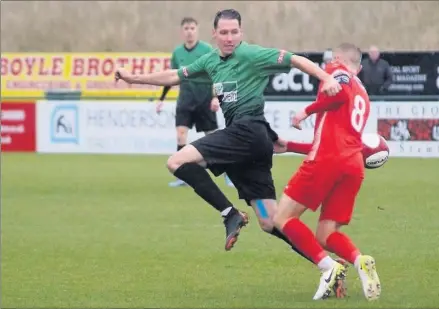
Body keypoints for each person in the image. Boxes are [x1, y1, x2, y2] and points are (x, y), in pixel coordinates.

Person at [115, 9, 342, 258]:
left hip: (247, 132)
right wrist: (133, 77)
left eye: (234, 32)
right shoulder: (210, 61)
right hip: (252, 144)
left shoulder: (251, 54)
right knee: (270, 221)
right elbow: (174, 76)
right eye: (224, 32)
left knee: (177, 161)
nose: (229, 37)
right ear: (214, 34)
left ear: (241, 32)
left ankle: (230, 213)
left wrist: (325, 78)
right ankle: (328, 265)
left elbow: (295, 59)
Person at [273, 43, 381, 301]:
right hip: (353, 165)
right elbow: (337, 139)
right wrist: (289, 146)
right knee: (326, 234)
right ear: (361, 67)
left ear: (337, 58)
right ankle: (359, 259)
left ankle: (329, 267)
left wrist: (306, 111)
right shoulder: (363, 94)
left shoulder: (335, 70)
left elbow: (338, 94)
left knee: (282, 219)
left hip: (327, 162)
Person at [156, 17, 234, 188]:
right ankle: (182, 176)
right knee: (181, 134)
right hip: (185, 98)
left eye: (192, 28)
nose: (189, 31)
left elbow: (217, 74)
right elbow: (172, 77)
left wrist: (216, 97)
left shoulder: (207, 49)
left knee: (213, 137)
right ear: (182, 31)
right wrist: (161, 99)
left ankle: (229, 173)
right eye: (186, 28)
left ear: (197, 30)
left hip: (204, 98)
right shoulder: (177, 53)